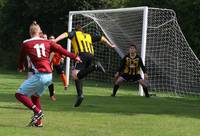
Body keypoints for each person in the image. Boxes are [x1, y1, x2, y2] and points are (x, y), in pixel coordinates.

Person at [15, 21, 81, 127]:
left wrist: (20, 66)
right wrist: (74, 56)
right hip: (49, 76)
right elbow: (61, 50)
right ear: (40, 32)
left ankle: (38, 112)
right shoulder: (47, 42)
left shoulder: (26, 43)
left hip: (39, 75)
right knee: (35, 97)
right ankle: (38, 123)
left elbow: (21, 57)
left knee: (19, 94)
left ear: (30, 32)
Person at [55, 23, 115, 107]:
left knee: (75, 74)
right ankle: (80, 95)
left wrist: (55, 40)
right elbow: (102, 38)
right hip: (90, 55)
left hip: (81, 55)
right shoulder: (88, 36)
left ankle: (95, 67)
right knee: (79, 76)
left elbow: (65, 34)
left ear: (75, 30)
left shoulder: (74, 33)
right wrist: (110, 45)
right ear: (82, 30)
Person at [48, 35, 68, 101]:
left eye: (53, 38)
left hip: (57, 63)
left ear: (55, 40)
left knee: (62, 73)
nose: (51, 40)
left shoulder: (58, 46)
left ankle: (65, 85)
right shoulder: (46, 46)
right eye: (50, 38)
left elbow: (63, 53)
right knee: (49, 77)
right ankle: (52, 92)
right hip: (50, 63)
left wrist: (62, 57)